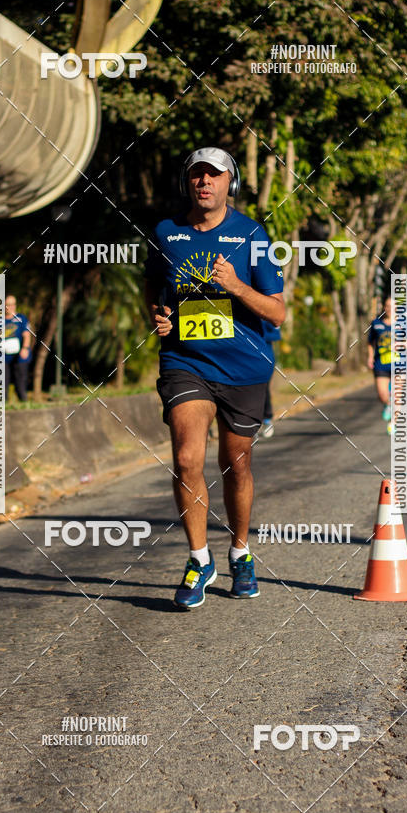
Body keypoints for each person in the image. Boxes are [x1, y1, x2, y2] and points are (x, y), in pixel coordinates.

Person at [144, 146, 285, 609]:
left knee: (235, 463)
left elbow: (278, 313)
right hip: (186, 362)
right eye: (197, 175)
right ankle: (199, 558)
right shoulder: (166, 233)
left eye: (214, 175)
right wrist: (161, 317)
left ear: (230, 183)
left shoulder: (252, 235)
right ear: (188, 183)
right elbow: (156, 292)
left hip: (243, 368)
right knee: (187, 459)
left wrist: (237, 286)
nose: (204, 182)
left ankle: (241, 552)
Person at [367, 296, 397, 435]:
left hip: (399, 365)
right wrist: (370, 357)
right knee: (382, 394)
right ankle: (388, 405)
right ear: (384, 307)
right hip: (381, 364)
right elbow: (370, 342)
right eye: (387, 306)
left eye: (393, 306)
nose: (390, 309)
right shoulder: (376, 324)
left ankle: (393, 423)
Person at [4, 294, 32, 401]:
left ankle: (24, 402)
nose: (10, 307)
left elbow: (27, 335)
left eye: (12, 304)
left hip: (20, 357)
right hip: (4, 357)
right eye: (8, 305)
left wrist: (25, 348)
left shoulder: (21, 318)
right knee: (3, 383)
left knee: (20, 383)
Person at [260, 320, 281, 438]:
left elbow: (275, 333)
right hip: (239, 360)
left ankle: (267, 420)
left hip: (264, 358)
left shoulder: (265, 313)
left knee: (263, 389)